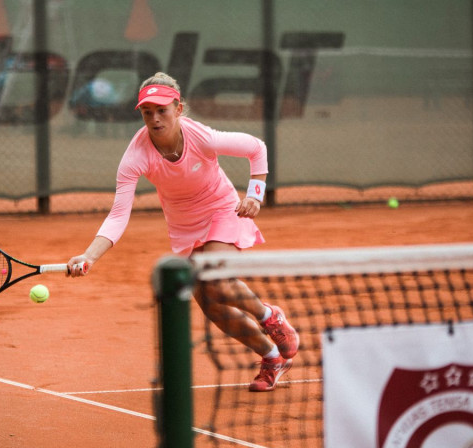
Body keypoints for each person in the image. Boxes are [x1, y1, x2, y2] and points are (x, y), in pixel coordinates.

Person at [66, 72, 299, 392]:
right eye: (148, 112)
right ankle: (272, 358)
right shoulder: (135, 156)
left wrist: (255, 195)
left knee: (218, 278)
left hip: (222, 208)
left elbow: (256, 148)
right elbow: (119, 215)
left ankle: (269, 316)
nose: (155, 118)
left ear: (178, 108)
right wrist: (90, 255)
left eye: (162, 110)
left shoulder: (202, 137)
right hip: (184, 225)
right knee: (210, 302)